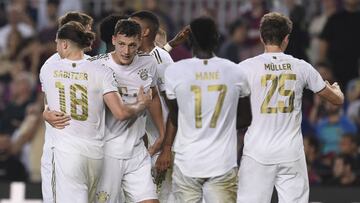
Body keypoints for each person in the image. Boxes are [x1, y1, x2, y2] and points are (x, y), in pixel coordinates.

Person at [236, 12, 344, 203]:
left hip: (257, 152)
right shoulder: (302, 67)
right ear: (286, 39)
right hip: (290, 153)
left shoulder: (245, 68)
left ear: (261, 37)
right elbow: (336, 100)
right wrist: (337, 90)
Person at [39, 21, 151, 203]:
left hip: (67, 153)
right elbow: (121, 113)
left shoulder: (50, 69)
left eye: (57, 43)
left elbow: (48, 102)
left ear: (64, 44)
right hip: (95, 155)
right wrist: (141, 104)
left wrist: (45, 113)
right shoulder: (101, 70)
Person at [163, 16, 252, 203]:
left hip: (187, 161)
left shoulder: (174, 72)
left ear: (190, 41)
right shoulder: (235, 71)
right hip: (223, 162)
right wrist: (222, 123)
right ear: (217, 38)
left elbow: (175, 116)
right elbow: (245, 119)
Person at [93, 20, 160, 203]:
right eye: (121, 44)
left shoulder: (149, 63)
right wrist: (46, 111)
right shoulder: (97, 66)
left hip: (136, 151)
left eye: (132, 45)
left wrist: (161, 134)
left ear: (139, 41)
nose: (126, 51)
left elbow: (153, 97)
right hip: (107, 152)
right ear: (113, 40)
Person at [40, 11, 94, 203]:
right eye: (86, 31)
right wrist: (45, 114)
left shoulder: (93, 65)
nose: (89, 37)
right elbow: (48, 106)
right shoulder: (50, 66)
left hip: (85, 150)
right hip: (60, 149)